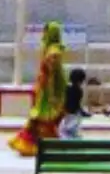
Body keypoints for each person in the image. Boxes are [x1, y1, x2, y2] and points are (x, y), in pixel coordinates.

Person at [7, 22, 67, 157]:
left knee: (42, 122)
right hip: (49, 92)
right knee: (43, 123)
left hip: (49, 93)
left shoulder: (52, 52)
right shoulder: (52, 50)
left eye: (46, 32)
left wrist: (51, 95)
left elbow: (50, 77)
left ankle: (33, 146)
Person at [58, 68, 91, 139]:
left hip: (65, 113)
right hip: (73, 115)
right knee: (73, 132)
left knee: (64, 132)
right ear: (81, 81)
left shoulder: (66, 88)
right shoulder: (79, 91)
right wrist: (84, 113)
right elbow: (77, 105)